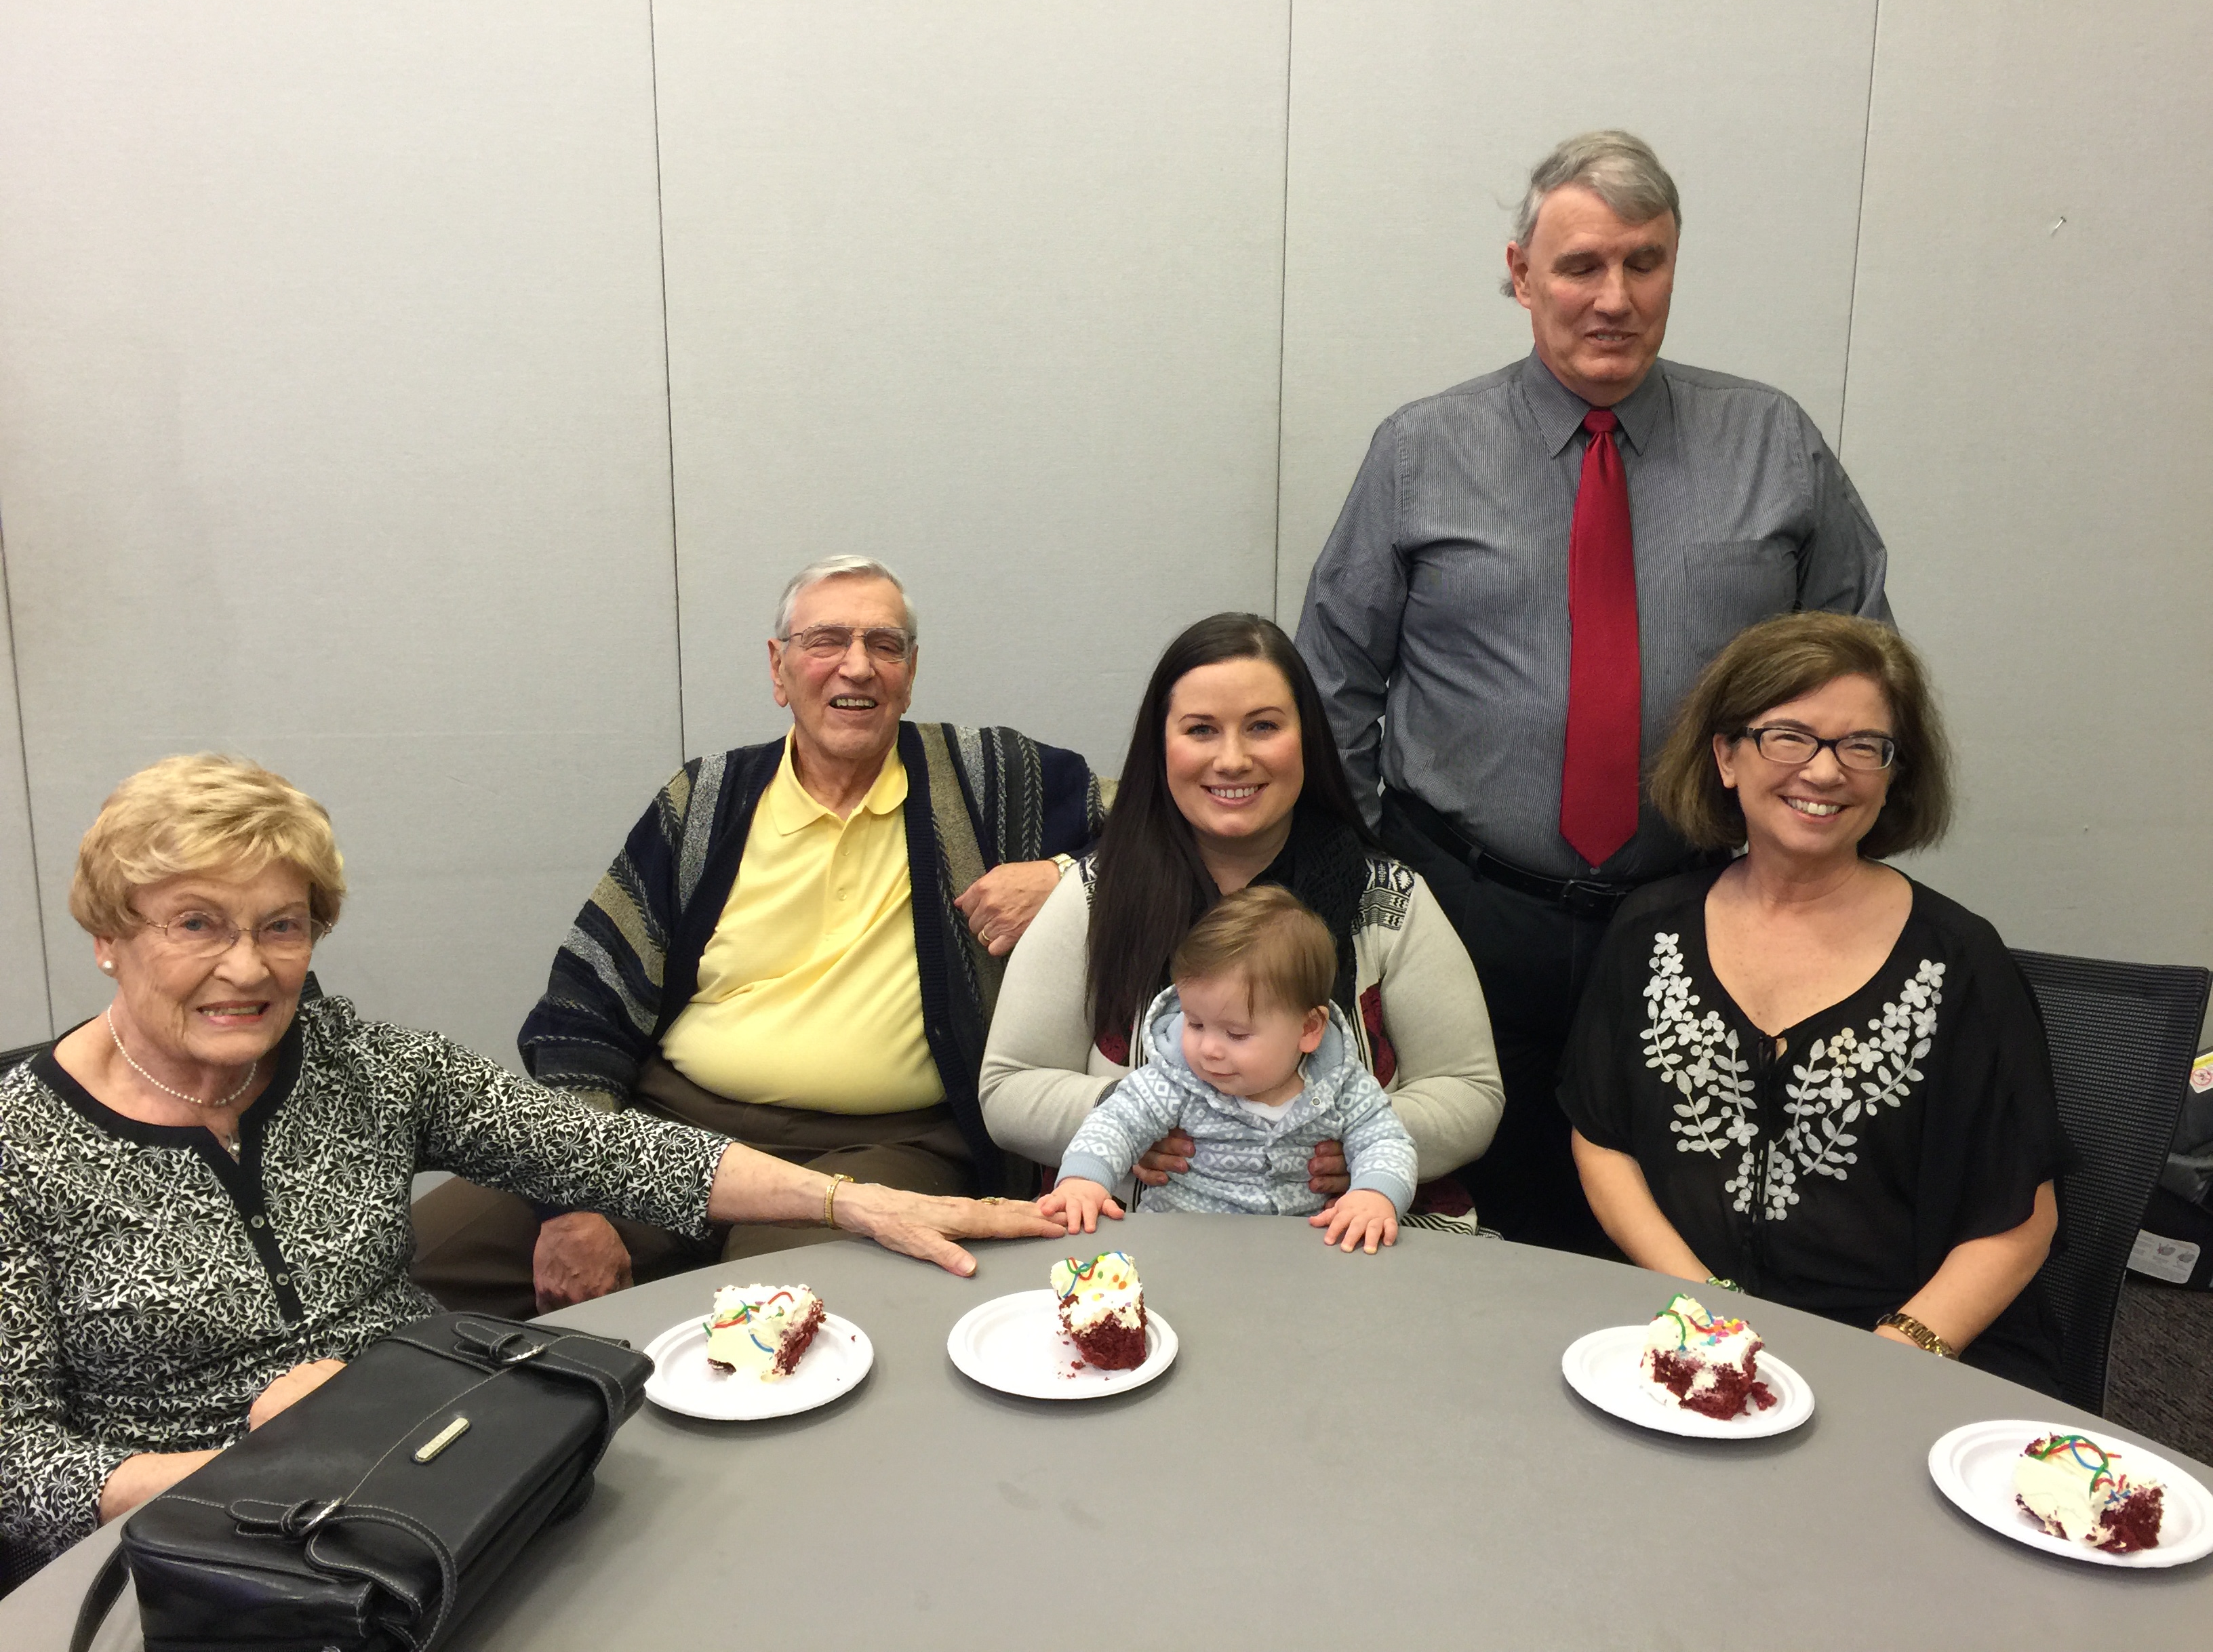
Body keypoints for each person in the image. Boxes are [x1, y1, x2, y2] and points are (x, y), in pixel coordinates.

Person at [0, 755, 1060, 1586]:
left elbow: (612, 1149)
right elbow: (16, 1463)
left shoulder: (354, 1065)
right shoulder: (20, 1147)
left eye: (282, 927)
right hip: (195, 1553)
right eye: (198, 925)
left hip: (437, 1485)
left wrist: (852, 1199)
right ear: (108, 933)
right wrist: (264, 1470)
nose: (248, 966)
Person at [1296, 129, 1894, 1251]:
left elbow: (1857, 670)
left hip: (1696, 909)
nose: (1611, 297)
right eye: (1578, 266)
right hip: (1461, 904)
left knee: (1670, 1217)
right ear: (1520, 275)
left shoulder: (1772, 443)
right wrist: (1377, 868)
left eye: (1642, 261)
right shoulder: (1419, 451)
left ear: (1672, 264)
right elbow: (1331, 679)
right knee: (1461, 1208)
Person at [410, 555, 1104, 1321]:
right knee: (418, 1260)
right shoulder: (707, 800)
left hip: (883, 1147)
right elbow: (585, 1006)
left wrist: (1067, 875)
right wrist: (570, 1202)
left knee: (759, 1322)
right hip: (667, 1126)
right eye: (827, 640)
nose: (857, 666)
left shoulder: (989, 781)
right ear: (779, 669)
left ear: (910, 673)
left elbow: (1182, 821)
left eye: (885, 644)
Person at [1557, 613, 2069, 1392]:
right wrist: (1705, 1310)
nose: (1826, 772)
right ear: (1726, 755)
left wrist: (1894, 1357)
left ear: (1896, 771)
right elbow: (1602, 1140)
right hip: (1679, 1319)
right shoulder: (1648, 929)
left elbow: (2021, 1216)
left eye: (1863, 746)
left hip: (1895, 1347)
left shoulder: (1959, 960)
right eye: (1788, 736)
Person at [980, 613, 1502, 1213]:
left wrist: (1353, 1138)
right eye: (1201, 730)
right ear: (1161, 748)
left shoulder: (1386, 897)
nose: (1232, 760)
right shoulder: (1095, 896)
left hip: (1350, 1244)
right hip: (1142, 1242)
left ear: (1306, 738)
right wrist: (1140, 1120)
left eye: (1262, 727)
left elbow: (1472, 1093)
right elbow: (1007, 1089)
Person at [1041, 886, 1416, 1255]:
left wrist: (1374, 1194)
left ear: (1308, 1030)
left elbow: (1385, 1141)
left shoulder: (1341, 1086)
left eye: (1236, 1034)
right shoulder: (1176, 1080)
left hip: (1304, 1257)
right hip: (1183, 1249)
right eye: (1195, 1024)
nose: (1208, 1050)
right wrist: (1083, 1180)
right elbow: (1115, 1123)